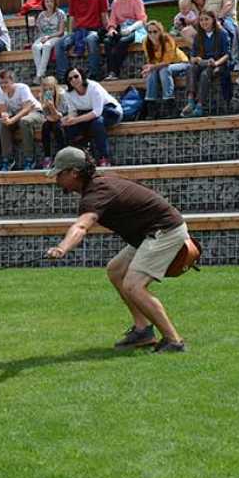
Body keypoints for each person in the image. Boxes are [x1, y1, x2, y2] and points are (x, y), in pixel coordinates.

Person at [45, 146, 189, 353]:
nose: (56, 179)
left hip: (164, 231)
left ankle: (174, 340)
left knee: (134, 285)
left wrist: (61, 248)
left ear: (73, 173)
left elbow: (82, 226)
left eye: (59, 174)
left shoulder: (95, 194)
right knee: (116, 271)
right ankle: (143, 330)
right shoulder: (98, 186)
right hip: (148, 233)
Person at [62, 67, 122, 167]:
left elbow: (97, 112)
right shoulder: (68, 93)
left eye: (76, 76)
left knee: (97, 123)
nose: (73, 80)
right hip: (88, 113)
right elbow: (73, 111)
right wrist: (68, 119)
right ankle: (80, 158)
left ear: (82, 76)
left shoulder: (93, 87)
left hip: (110, 112)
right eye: (70, 79)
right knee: (70, 127)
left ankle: (104, 158)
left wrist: (75, 120)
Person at [56, 0, 109, 82]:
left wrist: (108, 29)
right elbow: (72, 17)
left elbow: (104, 15)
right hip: (78, 31)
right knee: (59, 44)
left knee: (91, 39)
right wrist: (70, 33)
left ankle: (95, 74)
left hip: (94, 30)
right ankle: (64, 76)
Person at [181, 10, 231, 118]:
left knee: (205, 74)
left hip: (218, 64)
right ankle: (190, 101)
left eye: (206, 19)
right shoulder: (198, 36)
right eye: (201, 20)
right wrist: (196, 59)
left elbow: (227, 54)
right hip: (203, 63)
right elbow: (192, 56)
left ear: (213, 20)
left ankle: (199, 106)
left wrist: (216, 63)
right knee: (191, 68)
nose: (204, 22)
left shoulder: (222, 34)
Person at [0, 69, 44, 172]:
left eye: (6, 83)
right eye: (1, 83)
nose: (3, 85)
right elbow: (3, 110)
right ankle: (8, 159)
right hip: (17, 116)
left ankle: (30, 158)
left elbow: (27, 109)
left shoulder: (22, 88)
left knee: (24, 121)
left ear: (12, 81)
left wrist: (12, 120)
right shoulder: (0, 91)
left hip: (35, 113)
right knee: (3, 124)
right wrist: (5, 117)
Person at [103, 0, 147, 81]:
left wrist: (130, 29)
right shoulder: (116, 2)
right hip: (121, 28)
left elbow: (142, 19)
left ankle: (115, 72)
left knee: (123, 41)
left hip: (136, 28)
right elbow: (112, 21)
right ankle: (111, 72)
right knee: (108, 41)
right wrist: (111, 29)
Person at [142, 20, 189, 119]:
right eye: (149, 32)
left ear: (160, 31)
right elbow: (151, 61)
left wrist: (152, 67)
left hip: (180, 63)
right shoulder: (146, 42)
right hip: (162, 67)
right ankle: (151, 107)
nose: (152, 34)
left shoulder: (167, 39)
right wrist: (147, 69)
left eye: (155, 32)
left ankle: (170, 106)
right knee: (152, 72)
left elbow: (168, 61)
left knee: (164, 70)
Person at [31, 0, 66, 84]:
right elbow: (40, 31)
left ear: (55, 2)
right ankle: (41, 75)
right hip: (44, 36)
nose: (49, 3)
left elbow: (61, 32)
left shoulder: (60, 13)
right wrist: (42, 37)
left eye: (51, 1)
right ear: (44, 3)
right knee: (35, 47)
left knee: (47, 46)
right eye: (47, 1)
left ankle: (39, 75)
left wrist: (48, 37)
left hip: (56, 36)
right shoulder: (41, 15)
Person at [39, 76, 67, 169]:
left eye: (50, 89)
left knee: (57, 127)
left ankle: (63, 155)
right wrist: (47, 107)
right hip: (51, 119)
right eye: (46, 89)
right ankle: (47, 157)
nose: (48, 91)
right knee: (45, 127)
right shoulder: (42, 96)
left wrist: (52, 107)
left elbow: (60, 115)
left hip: (64, 118)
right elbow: (46, 115)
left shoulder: (62, 95)